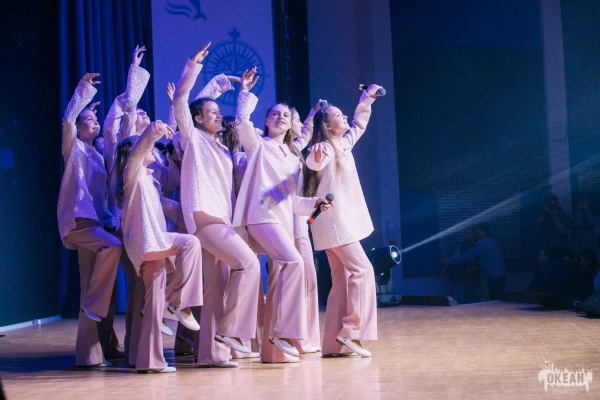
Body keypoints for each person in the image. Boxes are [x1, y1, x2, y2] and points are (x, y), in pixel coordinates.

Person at [235, 68, 331, 363]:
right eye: (274, 114)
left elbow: (288, 200)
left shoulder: (293, 159)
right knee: (295, 263)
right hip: (260, 217)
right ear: (266, 121)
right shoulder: (258, 146)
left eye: (285, 116)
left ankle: (272, 351)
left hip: (281, 221)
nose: (280, 118)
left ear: (291, 125)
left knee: (282, 278)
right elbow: (242, 122)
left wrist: (314, 203)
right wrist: (245, 91)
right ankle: (283, 331)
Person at [173, 43, 260, 368]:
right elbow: (180, 100)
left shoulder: (222, 147)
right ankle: (232, 331)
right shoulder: (192, 138)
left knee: (216, 288)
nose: (218, 115)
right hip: (205, 219)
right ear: (198, 119)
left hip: (220, 220)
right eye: (211, 112)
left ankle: (210, 353)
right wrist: (192, 67)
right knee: (249, 265)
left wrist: (244, 93)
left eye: (218, 111)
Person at [116, 120, 202, 373]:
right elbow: (138, 151)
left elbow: (174, 208)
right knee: (190, 243)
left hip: (153, 245)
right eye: (148, 148)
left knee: (153, 304)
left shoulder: (150, 181)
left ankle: (149, 361)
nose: (153, 150)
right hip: (146, 243)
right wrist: (152, 132)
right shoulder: (132, 175)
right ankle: (178, 301)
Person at [303, 85, 382, 358]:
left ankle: (333, 345)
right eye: (338, 115)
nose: (345, 116)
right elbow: (313, 163)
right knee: (362, 270)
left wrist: (367, 98)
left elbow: (359, 124)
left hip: (334, 222)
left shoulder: (343, 144)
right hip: (336, 222)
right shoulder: (324, 147)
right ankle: (351, 331)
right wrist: (315, 155)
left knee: (342, 278)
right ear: (327, 125)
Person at [57, 72, 121, 367]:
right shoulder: (73, 149)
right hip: (78, 222)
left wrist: (110, 218)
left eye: (95, 120)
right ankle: (94, 308)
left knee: (89, 283)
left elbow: (101, 195)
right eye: (89, 120)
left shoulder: (96, 155)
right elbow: (68, 121)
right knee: (112, 247)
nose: (94, 123)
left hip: (95, 222)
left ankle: (92, 353)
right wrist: (82, 92)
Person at [449, 222, 506, 301]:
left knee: (495, 301)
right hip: (498, 276)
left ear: (483, 231)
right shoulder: (490, 241)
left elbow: (467, 256)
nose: (475, 233)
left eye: (477, 231)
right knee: (497, 301)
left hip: (494, 278)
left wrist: (451, 261)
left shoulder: (482, 243)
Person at [441, 225, 480, 303]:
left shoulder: (478, 245)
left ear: (475, 234)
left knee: (470, 298)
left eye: (470, 233)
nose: (468, 236)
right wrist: (445, 269)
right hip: (459, 276)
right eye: (466, 234)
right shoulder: (461, 246)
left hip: (470, 277)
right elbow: (454, 259)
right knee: (460, 298)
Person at [534, 194, 572, 260]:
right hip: (547, 251)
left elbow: (563, 232)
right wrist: (546, 213)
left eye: (554, 205)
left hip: (562, 250)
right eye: (550, 205)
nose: (552, 207)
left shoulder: (565, 215)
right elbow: (536, 226)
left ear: (557, 204)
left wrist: (554, 217)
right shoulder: (545, 217)